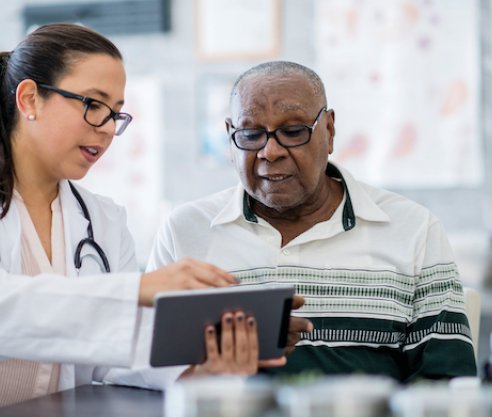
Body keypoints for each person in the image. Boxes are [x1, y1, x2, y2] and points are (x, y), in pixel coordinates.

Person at [0, 25, 291, 417]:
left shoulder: (103, 219)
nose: (108, 129)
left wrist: (201, 362)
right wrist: (136, 291)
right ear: (30, 98)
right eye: (94, 105)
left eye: (116, 114)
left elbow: (113, 354)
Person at [148, 60, 478, 383]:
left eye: (293, 132)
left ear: (330, 131)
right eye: (250, 135)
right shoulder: (184, 231)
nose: (270, 151)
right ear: (230, 137)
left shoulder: (413, 229)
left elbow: (445, 382)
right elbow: (144, 371)